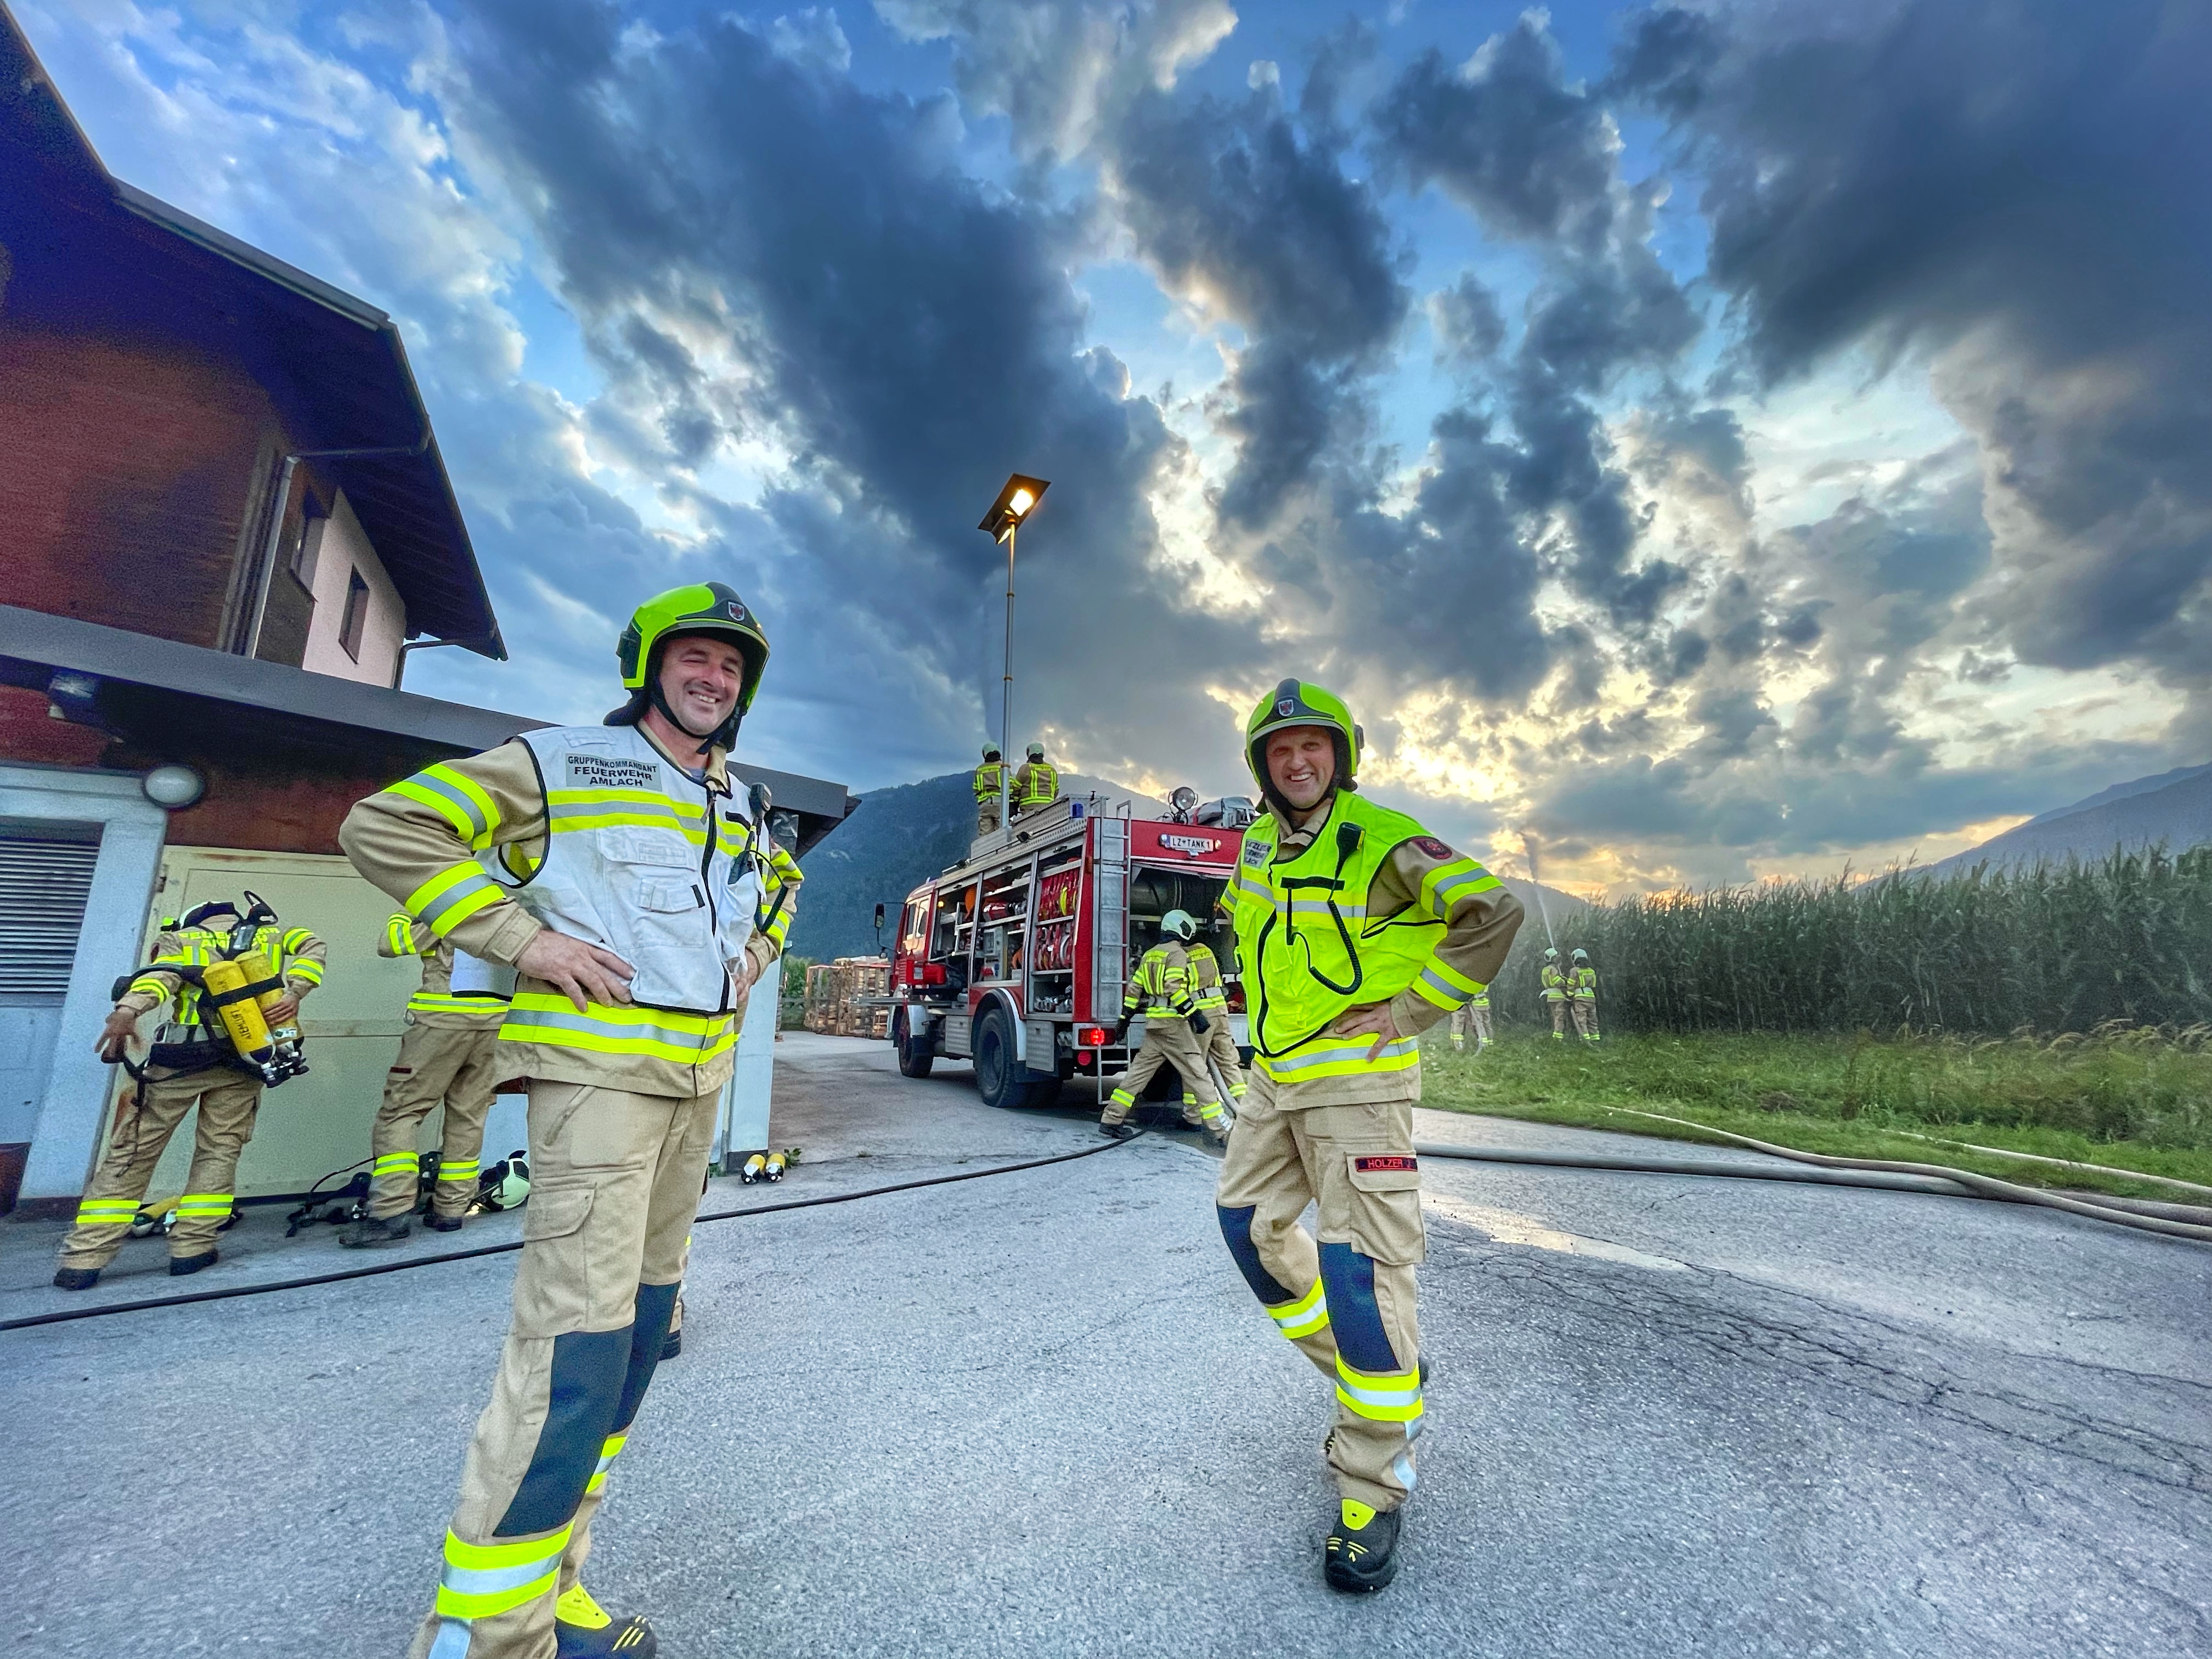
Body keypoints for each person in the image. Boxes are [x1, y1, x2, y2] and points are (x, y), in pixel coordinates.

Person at [340, 580, 790, 1659]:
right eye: (695, 656)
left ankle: (553, 1584)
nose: (714, 677)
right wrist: (524, 940)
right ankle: (488, 1636)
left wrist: (754, 956)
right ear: (648, 664)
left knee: (635, 1344)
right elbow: (385, 825)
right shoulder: (561, 763)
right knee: (572, 1354)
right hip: (597, 1088)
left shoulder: (740, 802)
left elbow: (777, 886)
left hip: (694, 1093)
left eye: (731, 666)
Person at [1215, 679, 1522, 1593]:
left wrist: (1409, 1008)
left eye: (1312, 744)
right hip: (1276, 1076)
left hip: (1358, 1084)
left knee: (1359, 1275)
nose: (1296, 760)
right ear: (1262, 766)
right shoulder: (1257, 845)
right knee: (1247, 1228)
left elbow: (1493, 913)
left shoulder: (1384, 838)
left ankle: (1371, 1482)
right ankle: (1383, 1375)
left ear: (1340, 755)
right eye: (1279, 749)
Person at [54, 897, 326, 1289]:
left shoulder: (180, 939)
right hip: (244, 1059)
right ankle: (193, 1249)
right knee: (219, 1151)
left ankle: (85, 1259)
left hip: (180, 1060)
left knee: (134, 1151)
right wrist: (295, 993)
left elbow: (159, 979)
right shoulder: (273, 935)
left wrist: (127, 1010)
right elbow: (314, 946)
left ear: (191, 920)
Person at [342, 914, 511, 1246]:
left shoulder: (445, 904)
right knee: (469, 1115)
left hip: (441, 1022)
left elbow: (391, 944)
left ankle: (390, 1211)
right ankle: (451, 1209)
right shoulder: (511, 904)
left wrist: (419, 912)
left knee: (402, 1112)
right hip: (496, 1025)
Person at [1098, 909, 1226, 1143]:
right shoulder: (1177, 953)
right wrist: (1195, 1015)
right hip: (1174, 1027)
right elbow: (1173, 987)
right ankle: (1222, 1131)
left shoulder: (1150, 954)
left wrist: (1124, 1020)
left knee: (1137, 1075)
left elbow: (1134, 990)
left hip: (1154, 1026)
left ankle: (1111, 1119)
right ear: (1181, 929)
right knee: (1199, 1075)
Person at [1187, 926, 1248, 1106]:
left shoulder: (1181, 955)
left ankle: (1197, 1113)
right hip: (1220, 1009)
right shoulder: (1207, 951)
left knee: (1196, 1066)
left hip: (1202, 1014)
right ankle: (1243, 1107)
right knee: (1228, 1062)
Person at [1013, 741, 1057, 816]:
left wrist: (1015, 803)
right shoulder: (1051, 769)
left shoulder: (1025, 768)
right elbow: (1056, 790)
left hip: (1029, 808)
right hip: (1048, 807)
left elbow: (1016, 789)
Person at [1568, 946, 1601, 1043]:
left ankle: (1585, 1039)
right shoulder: (1591, 971)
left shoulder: (1574, 971)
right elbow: (1594, 984)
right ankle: (1595, 1037)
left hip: (1580, 997)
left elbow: (1571, 984)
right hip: (1591, 997)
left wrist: (1570, 995)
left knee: (1582, 1019)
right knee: (1592, 1018)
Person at [973, 743, 1006, 836]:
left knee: (985, 834)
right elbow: (1010, 785)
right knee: (1002, 832)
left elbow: (976, 789)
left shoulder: (980, 769)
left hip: (985, 805)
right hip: (1000, 803)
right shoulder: (1003, 766)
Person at [1447, 985, 1491, 1053]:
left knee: (1458, 1024)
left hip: (1460, 1001)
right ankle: (1487, 1044)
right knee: (1484, 1024)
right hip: (1478, 1001)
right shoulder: (1484, 980)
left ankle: (1457, 1046)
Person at [1539, 946, 1568, 1040]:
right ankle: (1558, 1036)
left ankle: (1556, 1035)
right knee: (1560, 1016)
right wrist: (1564, 981)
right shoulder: (1554, 969)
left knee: (1555, 1016)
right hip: (1558, 995)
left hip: (1550, 996)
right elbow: (1557, 981)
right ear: (1552, 958)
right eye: (1556, 957)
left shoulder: (1545, 970)